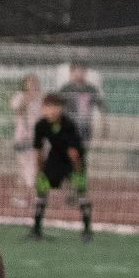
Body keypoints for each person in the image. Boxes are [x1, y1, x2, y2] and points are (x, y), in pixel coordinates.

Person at [28, 93, 93, 242]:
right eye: (48, 107)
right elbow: (38, 150)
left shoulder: (68, 124)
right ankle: (36, 229)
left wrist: (77, 173)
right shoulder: (41, 125)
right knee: (42, 187)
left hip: (73, 161)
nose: (52, 111)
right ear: (43, 109)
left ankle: (87, 230)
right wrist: (40, 171)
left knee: (80, 192)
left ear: (61, 109)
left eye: (56, 107)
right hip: (55, 157)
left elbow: (73, 153)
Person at [9, 73, 43, 201]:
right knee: (24, 167)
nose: (32, 85)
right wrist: (27, 99)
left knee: (36, 166)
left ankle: (35, 195)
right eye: (29, 82)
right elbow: (17, 110)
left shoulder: (40, 99)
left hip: (36, 137)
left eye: (34, 82)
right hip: (22, 137)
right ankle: (20, 195)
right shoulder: (20, 96)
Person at [57, 63, 105, 148]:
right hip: (69, 125)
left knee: (83, 149)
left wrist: (103, 124)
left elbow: (100, 105)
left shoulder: (91, 89)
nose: (80, 74)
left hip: (85, 125)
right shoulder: (66, 89)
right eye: (77, 71)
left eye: (82, 71)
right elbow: (57, 106)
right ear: (72, 73)